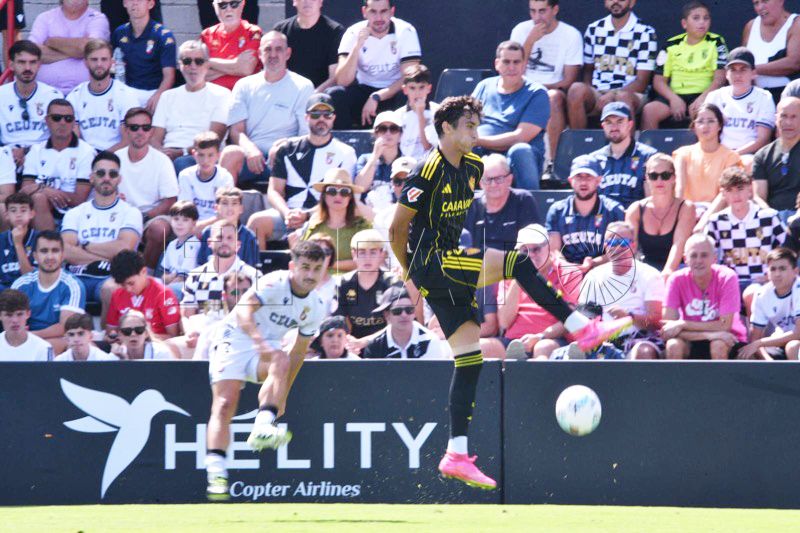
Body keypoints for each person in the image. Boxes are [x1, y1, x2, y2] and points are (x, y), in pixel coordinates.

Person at [389, 95, 632, 489]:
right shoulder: (426, 170)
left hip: (448, 264)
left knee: (469, 360)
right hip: (430, 264)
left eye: (476, 125)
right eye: (468, 125)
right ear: (446, 128)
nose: (475, 132)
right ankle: (582, 328)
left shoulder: (473, 167)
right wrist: (409, 271)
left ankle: (456, 453)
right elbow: (397, 228)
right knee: (518, 263)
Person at [204, 241, 327, 500]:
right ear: (293, 266)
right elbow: (243, 311)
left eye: (317, 269)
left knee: (281, 359)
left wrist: (283, 394)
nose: (310, 274)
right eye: (305, 267)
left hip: (267, 346)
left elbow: (299, 352)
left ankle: (262, 425)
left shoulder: (316, 306)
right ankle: (216, 472)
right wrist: (258, 341)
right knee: (225, 404)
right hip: (234, 337)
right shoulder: (274, 282)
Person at [246, 93, 357, 248]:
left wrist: (307, 215)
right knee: (257, 223)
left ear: (333, 118)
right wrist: (287, 213)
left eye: (327, 114)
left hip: (326, 214)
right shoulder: (287, 149)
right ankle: (260, 264)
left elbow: (344, 195)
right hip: (289, 213)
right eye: (315, 114)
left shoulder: (345, 152)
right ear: (306, 118)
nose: (321, 119)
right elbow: (274, 190)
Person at [220, 31, 314, 185]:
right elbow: (236, 131)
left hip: (286, 156)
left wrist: (284, 147)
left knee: (284, 155)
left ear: (288, 53)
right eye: (268, 49)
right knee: (230, 153)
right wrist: (250, 149)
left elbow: (306, 134)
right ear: (259, 54)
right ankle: (225, 199)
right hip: (252, 158)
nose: (273, 55)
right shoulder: (243, 85)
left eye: (279, 49)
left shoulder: (303, 86)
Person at [61, 151, 142, 322]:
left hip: (110, 277)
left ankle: (108, 334)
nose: (106, 178)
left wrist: (84, 245)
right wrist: (108, 257)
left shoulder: (130, 212)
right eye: (100, 173)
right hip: (76, 276)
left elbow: (123, 249)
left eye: (112, 174)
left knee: (111, 289)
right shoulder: (75, 213)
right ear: (91, 178)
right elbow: (66, 251)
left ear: (119, 179)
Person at [574, 222, 666, 359]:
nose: (617, 248)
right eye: (611, 243)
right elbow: (585, 318)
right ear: (605, 246)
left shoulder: (650, 275)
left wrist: (630, 317)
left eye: (622, 243)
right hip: (604, 339)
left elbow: (656, 322)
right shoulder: (593, 277)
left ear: (633, 246)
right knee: (575, 351)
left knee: (644, 352)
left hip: (640, 338)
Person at [327, 0, 421, 129]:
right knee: (335, 95)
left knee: (411, 93)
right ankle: (346, 140)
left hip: (395, 92)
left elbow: (410, 77)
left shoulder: (406, 31)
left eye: (383, 11)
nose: (379, 18)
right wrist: (357, 46)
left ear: (392, 12)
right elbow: (343, 80)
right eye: (373, 12)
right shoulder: (353, 33)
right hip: (364, 90)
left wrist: (377, 96)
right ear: (364, 12)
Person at [472, 41, 550, 190]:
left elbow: (520, 137)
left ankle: (529, 203)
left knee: (520, 150)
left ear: (524, 65)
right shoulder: (484, 86)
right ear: (497, 64)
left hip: (517, 156)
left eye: (516, 62)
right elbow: (467, 120)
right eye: (506, 62)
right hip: (482, 152)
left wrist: (476, 140)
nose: (512, 67)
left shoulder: (537, 93)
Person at [567, 0, 657, 129]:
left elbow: (642, 82)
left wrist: (612, 94)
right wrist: (593, 93)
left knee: (622, 98)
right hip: (599, 93)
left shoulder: (646, 32)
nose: (615, 1)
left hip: (632, 93)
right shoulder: (594, 29)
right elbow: (588, 71)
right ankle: (578, 141)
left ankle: (628, 143)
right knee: (576, 89)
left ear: (632, 2)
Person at [497, 224, 582, 359]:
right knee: (484, 346)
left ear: (548, 247)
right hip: (513, 341)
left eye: (536, 249)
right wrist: (520, 276)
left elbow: (571, 319)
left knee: (543, 348)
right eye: (524, 251)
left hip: (551, 338)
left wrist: (540, 336)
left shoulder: (568, 272)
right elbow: (504, 322)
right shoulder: (509, 276)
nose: (530, 255)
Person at [509, 0, 582, 157]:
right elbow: (513, 71)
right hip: (521, 89)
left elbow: (569, 80)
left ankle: (553, 162)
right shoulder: (520, 30)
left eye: (542, 11)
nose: (537, 17)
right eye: (533, 11)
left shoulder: (571, 34)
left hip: (553, 91)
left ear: (555, 9)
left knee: (552, 98)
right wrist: (529, 41)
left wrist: (539, 89)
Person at [641, 1, 727, 129]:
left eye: (706, 18)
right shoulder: (670, 45)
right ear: (684, 23)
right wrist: (673, 99)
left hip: (704, 94)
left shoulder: (716, 42)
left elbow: (720, 78)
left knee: (701, 112)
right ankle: (649, 143)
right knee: (650, 110)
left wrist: (703, 98)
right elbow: (658, 81)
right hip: (676, 95)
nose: (702, 22)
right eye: (696, 18)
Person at [662, 233, 748, 360]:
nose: (698, 260)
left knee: (718, 345)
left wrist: (682, 324)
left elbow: (724, 325)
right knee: (673, 345)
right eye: (693, 255)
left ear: (714, 258)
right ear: (685, 259)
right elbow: (667, 329)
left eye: (704, 255)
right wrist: (708, 335)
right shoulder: (675, 279)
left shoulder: (727, 277)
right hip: (692, 338)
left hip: (728, 337)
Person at [152, 40, 232, 174]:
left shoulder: (222, 94)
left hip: (200, 156)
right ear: (180, 65)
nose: (193, 66)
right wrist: (160, 153)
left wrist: (181, 152)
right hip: (167, 154)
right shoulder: (167, 96)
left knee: (181, 163)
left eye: (199, 61)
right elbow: (155, 138)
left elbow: (213, 139)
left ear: (207, 65)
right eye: (187, 61)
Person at [705, 167, 786, 300]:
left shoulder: (769, 217)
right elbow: (708, 255)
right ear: (723, 193)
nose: (736, 195)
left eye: (740, 189)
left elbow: (788, 248)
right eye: (730, 190)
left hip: (763, 283)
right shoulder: (716, 221)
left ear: (749, 189)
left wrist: (773, 274)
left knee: (752, 294)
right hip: (729, 284)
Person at [115, 107, 178, 268]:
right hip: (120, 215)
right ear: (126, 130)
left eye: (145, 127)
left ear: (151, 131)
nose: (140, 132)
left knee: (159, 229)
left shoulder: (162, 160)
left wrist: (143, 216)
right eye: (134, 127)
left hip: (150, 216)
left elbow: (170, 201)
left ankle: (147, 273)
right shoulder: (115, 159)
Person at [20, 99, 95, 231]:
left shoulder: (87, 152)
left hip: (75, 214)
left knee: (38, 197)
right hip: (39, 211)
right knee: (38, 198)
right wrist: (44, 189)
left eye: (68, 119)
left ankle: (47, 242)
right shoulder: (36, 150)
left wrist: (45, 191)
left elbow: (80, 199)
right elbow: (24, 191)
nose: (62, 122)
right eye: (56, 118)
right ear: (47, 120)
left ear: (74, 122)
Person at [12, 231, 85, 354]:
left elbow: (66, 327)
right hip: (24, 341)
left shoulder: (73, 285)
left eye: (55, 251)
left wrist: (31, 336)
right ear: (35, 256)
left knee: (69, 343)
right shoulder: (21, 285)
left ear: (62, 255)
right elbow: (12, 321)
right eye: (44, 251)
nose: (50, 257)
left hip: (57, 341)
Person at [546, 155, 625, 268]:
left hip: (604, 270)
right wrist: (571, 268)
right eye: (578, 177)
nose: (583, 182)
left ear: (598, 180)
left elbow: (619, 251)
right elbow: (554, 251)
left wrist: (593, 264)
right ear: (570, 180)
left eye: (588, 177)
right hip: (566, 271)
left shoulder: (613, 211)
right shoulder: (557, 211)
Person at [625, 153, 696, 277]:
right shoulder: (635, 209)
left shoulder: (686, 208)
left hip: (677, 272)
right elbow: (630, 248)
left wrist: (667, 272)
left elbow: (678, 245)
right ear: (647, 178)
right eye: (653, 176)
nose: (659, 180)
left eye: (665, 175)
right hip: (644, 271)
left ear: (674, 178)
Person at [67, 39, 140, 152]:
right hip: (85, 156)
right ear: (85, 62)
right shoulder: (75, 96)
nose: (99, 64)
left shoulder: (126, 95)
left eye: (104, 59)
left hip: (117, 156)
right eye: (94, 59)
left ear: (111, 62)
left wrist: (103, 157)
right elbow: (74, 138)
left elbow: (128, 140)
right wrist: (89, 156)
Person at [294, 169, 372, 273]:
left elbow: (370, 261)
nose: (338, 196)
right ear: (324, 195)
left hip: (352, 281)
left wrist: (329, 264)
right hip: (318, 280)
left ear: (350, 197)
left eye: (344, 192)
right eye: (332, 191)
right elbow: (303, 260)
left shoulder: (362, 227)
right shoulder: (313, 226)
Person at [704, 47, 775, 160]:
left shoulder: (764, 97)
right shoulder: (714, 97)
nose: (737, 75)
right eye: (733, 70)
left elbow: (763, 139)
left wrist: (732, 156)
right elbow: (705, 133)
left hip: (750, 156)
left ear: (753, 73)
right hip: (719, 154)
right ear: (726, 74)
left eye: (743, 69)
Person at [0, 41, 63, 167]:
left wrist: (26, 151)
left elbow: (61, 136)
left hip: (44, 157)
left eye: (33, 62)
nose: (27, 68)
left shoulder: (53, 96)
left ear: (39, 65)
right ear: (11, 65)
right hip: (6, 157)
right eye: (22, 62)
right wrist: (6, 153)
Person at [182, 220, 260, 319]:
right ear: (209, 243)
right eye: (220, 237)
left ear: (238, 245)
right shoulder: (194, 277)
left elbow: (259, 316)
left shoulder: (253, 276)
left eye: (230, 238)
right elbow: (186, 318)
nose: (224, 242)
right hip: (203, 329)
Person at [28, 0, 110, 95]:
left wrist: (51, 41)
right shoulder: (44, 18)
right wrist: (76, 51)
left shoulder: (97, 19)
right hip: (45, 93)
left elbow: (89, 49)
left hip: (85, 94)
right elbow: (31, 53)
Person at [464, 153, 541, 251]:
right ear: (480, 183)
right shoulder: (470, 205)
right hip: (476, 259)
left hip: (514, 259)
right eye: (487, 180)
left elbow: (533, 245)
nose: (493, 184)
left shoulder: (523, 200)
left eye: (499, 179)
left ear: (509, 179)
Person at [586, 101, 657, 206]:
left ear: (630, 124)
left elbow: (652, 202)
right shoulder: (594, 159)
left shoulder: (648, 156)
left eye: (619, 121)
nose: (614, 127)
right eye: (609, 122)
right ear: (603, 126)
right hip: (603, 215)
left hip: (635, 214)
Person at [335, 229, 402, 339]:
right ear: (353, 254)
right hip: (351, 343)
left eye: (373, 252)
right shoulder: (342, 284)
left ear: (382, 254)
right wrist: (348, 341)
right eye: (362, 252)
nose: (367, 258)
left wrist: (366, 341)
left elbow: (398, 325)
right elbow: (338, 323)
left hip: (386, 342)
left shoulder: (393, 283)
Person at [673, 102, 743, 207]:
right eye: (700, 121)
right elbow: (679, 188)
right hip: (687, 210)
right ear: (694, 127)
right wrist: (681, 211)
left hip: (716, 211)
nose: (705, 126)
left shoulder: (731, 157)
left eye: (711, 121)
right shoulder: (682, 154)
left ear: (720, 125)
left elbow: (725, 194)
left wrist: (708, 214)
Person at [111, 0, 176, 111]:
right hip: (126, 92)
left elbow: (169, 76)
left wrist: (158, 95)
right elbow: (112, 67)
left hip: (154, 92)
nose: (134, 3)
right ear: (124, 3)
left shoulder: (164, 35)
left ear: (150, 4)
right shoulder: (119, 33)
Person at [737, 247, 800, 360]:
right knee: (748, 353)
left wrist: (760, 343)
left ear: (795, 271)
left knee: (792, 347)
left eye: (782, 269)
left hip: (794, 343)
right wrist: (769, 362)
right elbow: (755, 338)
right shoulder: (762, 294)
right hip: (781, 341)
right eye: (773, 269)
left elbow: (798, 333)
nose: (777, 274)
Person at [107, 249, 180, 340]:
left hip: (156, 346)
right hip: (123, 347)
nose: (128, 289)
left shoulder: (164, 295)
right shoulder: (117, 294)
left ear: (144, 271)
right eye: (123, 285)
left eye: (131, 283)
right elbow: (111, 331)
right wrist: (112, 337)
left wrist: (141, 337)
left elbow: (174, 337)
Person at [273, 0, 344, 91]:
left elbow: (334, 77)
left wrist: (312, 95)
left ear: (320, 2)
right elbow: (274, 70)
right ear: (294, 2)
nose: (307, 1)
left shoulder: (334, 31)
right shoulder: (280, 30)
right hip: (286, 92)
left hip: (320, 95)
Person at [362, 286, 450, 359]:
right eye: (397, 311)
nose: (404, 315)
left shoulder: (430, 340)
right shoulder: (374, 346)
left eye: (409, 310)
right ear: (386, 315)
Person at [753, 96, 800, 224]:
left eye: (794, 117)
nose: (788, 122)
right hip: (773, 218)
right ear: (776, 119)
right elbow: (758, 197)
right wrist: (772, 219)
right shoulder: (762, 155)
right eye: (784, 116)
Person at [743, 0, 800, 103]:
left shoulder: (796, 24)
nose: (760, 7)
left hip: (789, 99)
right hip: (755, 98)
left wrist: (752, 70)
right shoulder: (750, 26)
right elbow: (743, 59)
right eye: (756, 3)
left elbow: (794, 63)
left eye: (765, 1)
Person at [201, 0, 263, 92]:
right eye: (222, 5)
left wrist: (209, 62)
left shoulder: (252, 32)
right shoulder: (207, 34)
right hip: (214, 96)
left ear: (242, 5)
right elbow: (201, 73)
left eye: (234, 4)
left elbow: (246, 69)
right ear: (214, 6)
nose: (228, 9)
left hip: (245, 95)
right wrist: (236, 64)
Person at [176, 132, 235, 225]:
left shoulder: (225, 177)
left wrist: (200, 227)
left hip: (217, 226)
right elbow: (184, 210)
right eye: (201, 155)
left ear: (218, 155)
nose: (205, 160)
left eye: (210, 155)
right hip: (190, 225)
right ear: (194, 154)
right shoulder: (185, 175)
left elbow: (225, 215)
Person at [195, 187, 258, 267]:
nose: (230, 208)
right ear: (216, 208)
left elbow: (251, 267)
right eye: (225, 203)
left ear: (241, 209)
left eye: (234, 203)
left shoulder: (249, 236)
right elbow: (201, 263)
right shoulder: (208, 232)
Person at [156, 201, 200, 302]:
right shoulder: (172, 244)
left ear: (194, 223)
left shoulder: (193, 244)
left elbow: (182, 278)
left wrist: (168, 281)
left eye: (185, 220)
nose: (179, 223)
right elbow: (164, 275)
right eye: (176, 219)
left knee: (164, 291)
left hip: (187, 288)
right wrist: (171, 277)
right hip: (170, 283)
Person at [394, 64, 438, 161]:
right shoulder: (397, 115)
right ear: (405, 90)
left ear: (429, 88)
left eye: (421, 87)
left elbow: (429, 148)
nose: (417, 93)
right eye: (412, 88)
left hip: (430, 164)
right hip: (404, 164)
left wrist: (420, 114)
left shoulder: (437, 112)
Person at [355, 110, 405, 195]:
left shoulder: (407, 162)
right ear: (376, 134)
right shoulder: (365, 159)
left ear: (400, 135)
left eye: (393, 129)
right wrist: (375, 156)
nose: (388, 133)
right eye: (383, 129)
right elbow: (359, 188)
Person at [0, 289, 54, 361]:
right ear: (0, 316)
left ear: (28, 314)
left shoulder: (43, 348)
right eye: (9, 315)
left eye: (20, 314)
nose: (15, 320)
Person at [0, 193, 37, 291]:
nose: (18, 214)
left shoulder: (40, 239)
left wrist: (18, 244)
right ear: (7, 215)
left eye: (23, 210)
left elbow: (30, 279)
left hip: (30, 290)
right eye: (13, 210)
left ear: (32, 214)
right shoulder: (1, 239)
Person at [110, 308, 174, 359]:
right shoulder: (114, 356)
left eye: (139, 330)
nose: (133, 334)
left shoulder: (161, 353)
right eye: (127, 331)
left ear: (146, 333)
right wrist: (123, 360)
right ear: (120, 335)